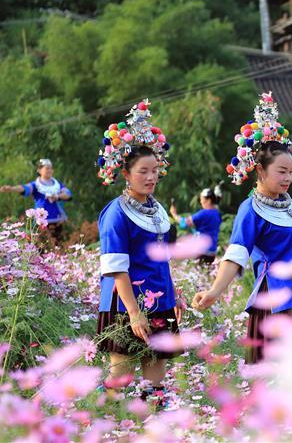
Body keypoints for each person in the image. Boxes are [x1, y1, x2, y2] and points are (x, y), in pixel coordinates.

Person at [192, 92, 292, 364]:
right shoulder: (250, 210)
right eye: (281, 171)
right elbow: (236, 255)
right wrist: (215, 292)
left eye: (291, 171)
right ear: (260, 171)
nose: (288, 178)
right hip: (277, 302)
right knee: (276, 376)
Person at [95, 100, 181, 409]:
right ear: (126, 174)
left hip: (158, 298)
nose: (150, 177)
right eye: (143, 171)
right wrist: (133, 312)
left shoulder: (157, 209)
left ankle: (157, 425)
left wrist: (174, 294)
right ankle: (110, 426)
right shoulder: (115, 213)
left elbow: (161, 258)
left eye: (155, 170)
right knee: (121, 372)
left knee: (156, 370)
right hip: (126, 301)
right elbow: (117, 268)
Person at [0, 159, 72, 244]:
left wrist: (57, 196)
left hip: (57, 220)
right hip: (41, 222)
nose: (49, 170)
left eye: (51, 168)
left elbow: (68, 194)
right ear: (39, 170)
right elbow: (25, 188)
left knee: (58, 245)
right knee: (42, 245)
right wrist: (12, 188)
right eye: (47, 168)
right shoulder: (36, 185)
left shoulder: (57, 184)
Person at [169, 185, 223, 264]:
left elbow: (184, 223)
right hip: (212, 251)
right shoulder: (216, 213)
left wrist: (174, 214)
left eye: (202, 199)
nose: (200, 202)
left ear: (208, 200)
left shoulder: (204, 213)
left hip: (202, 251)